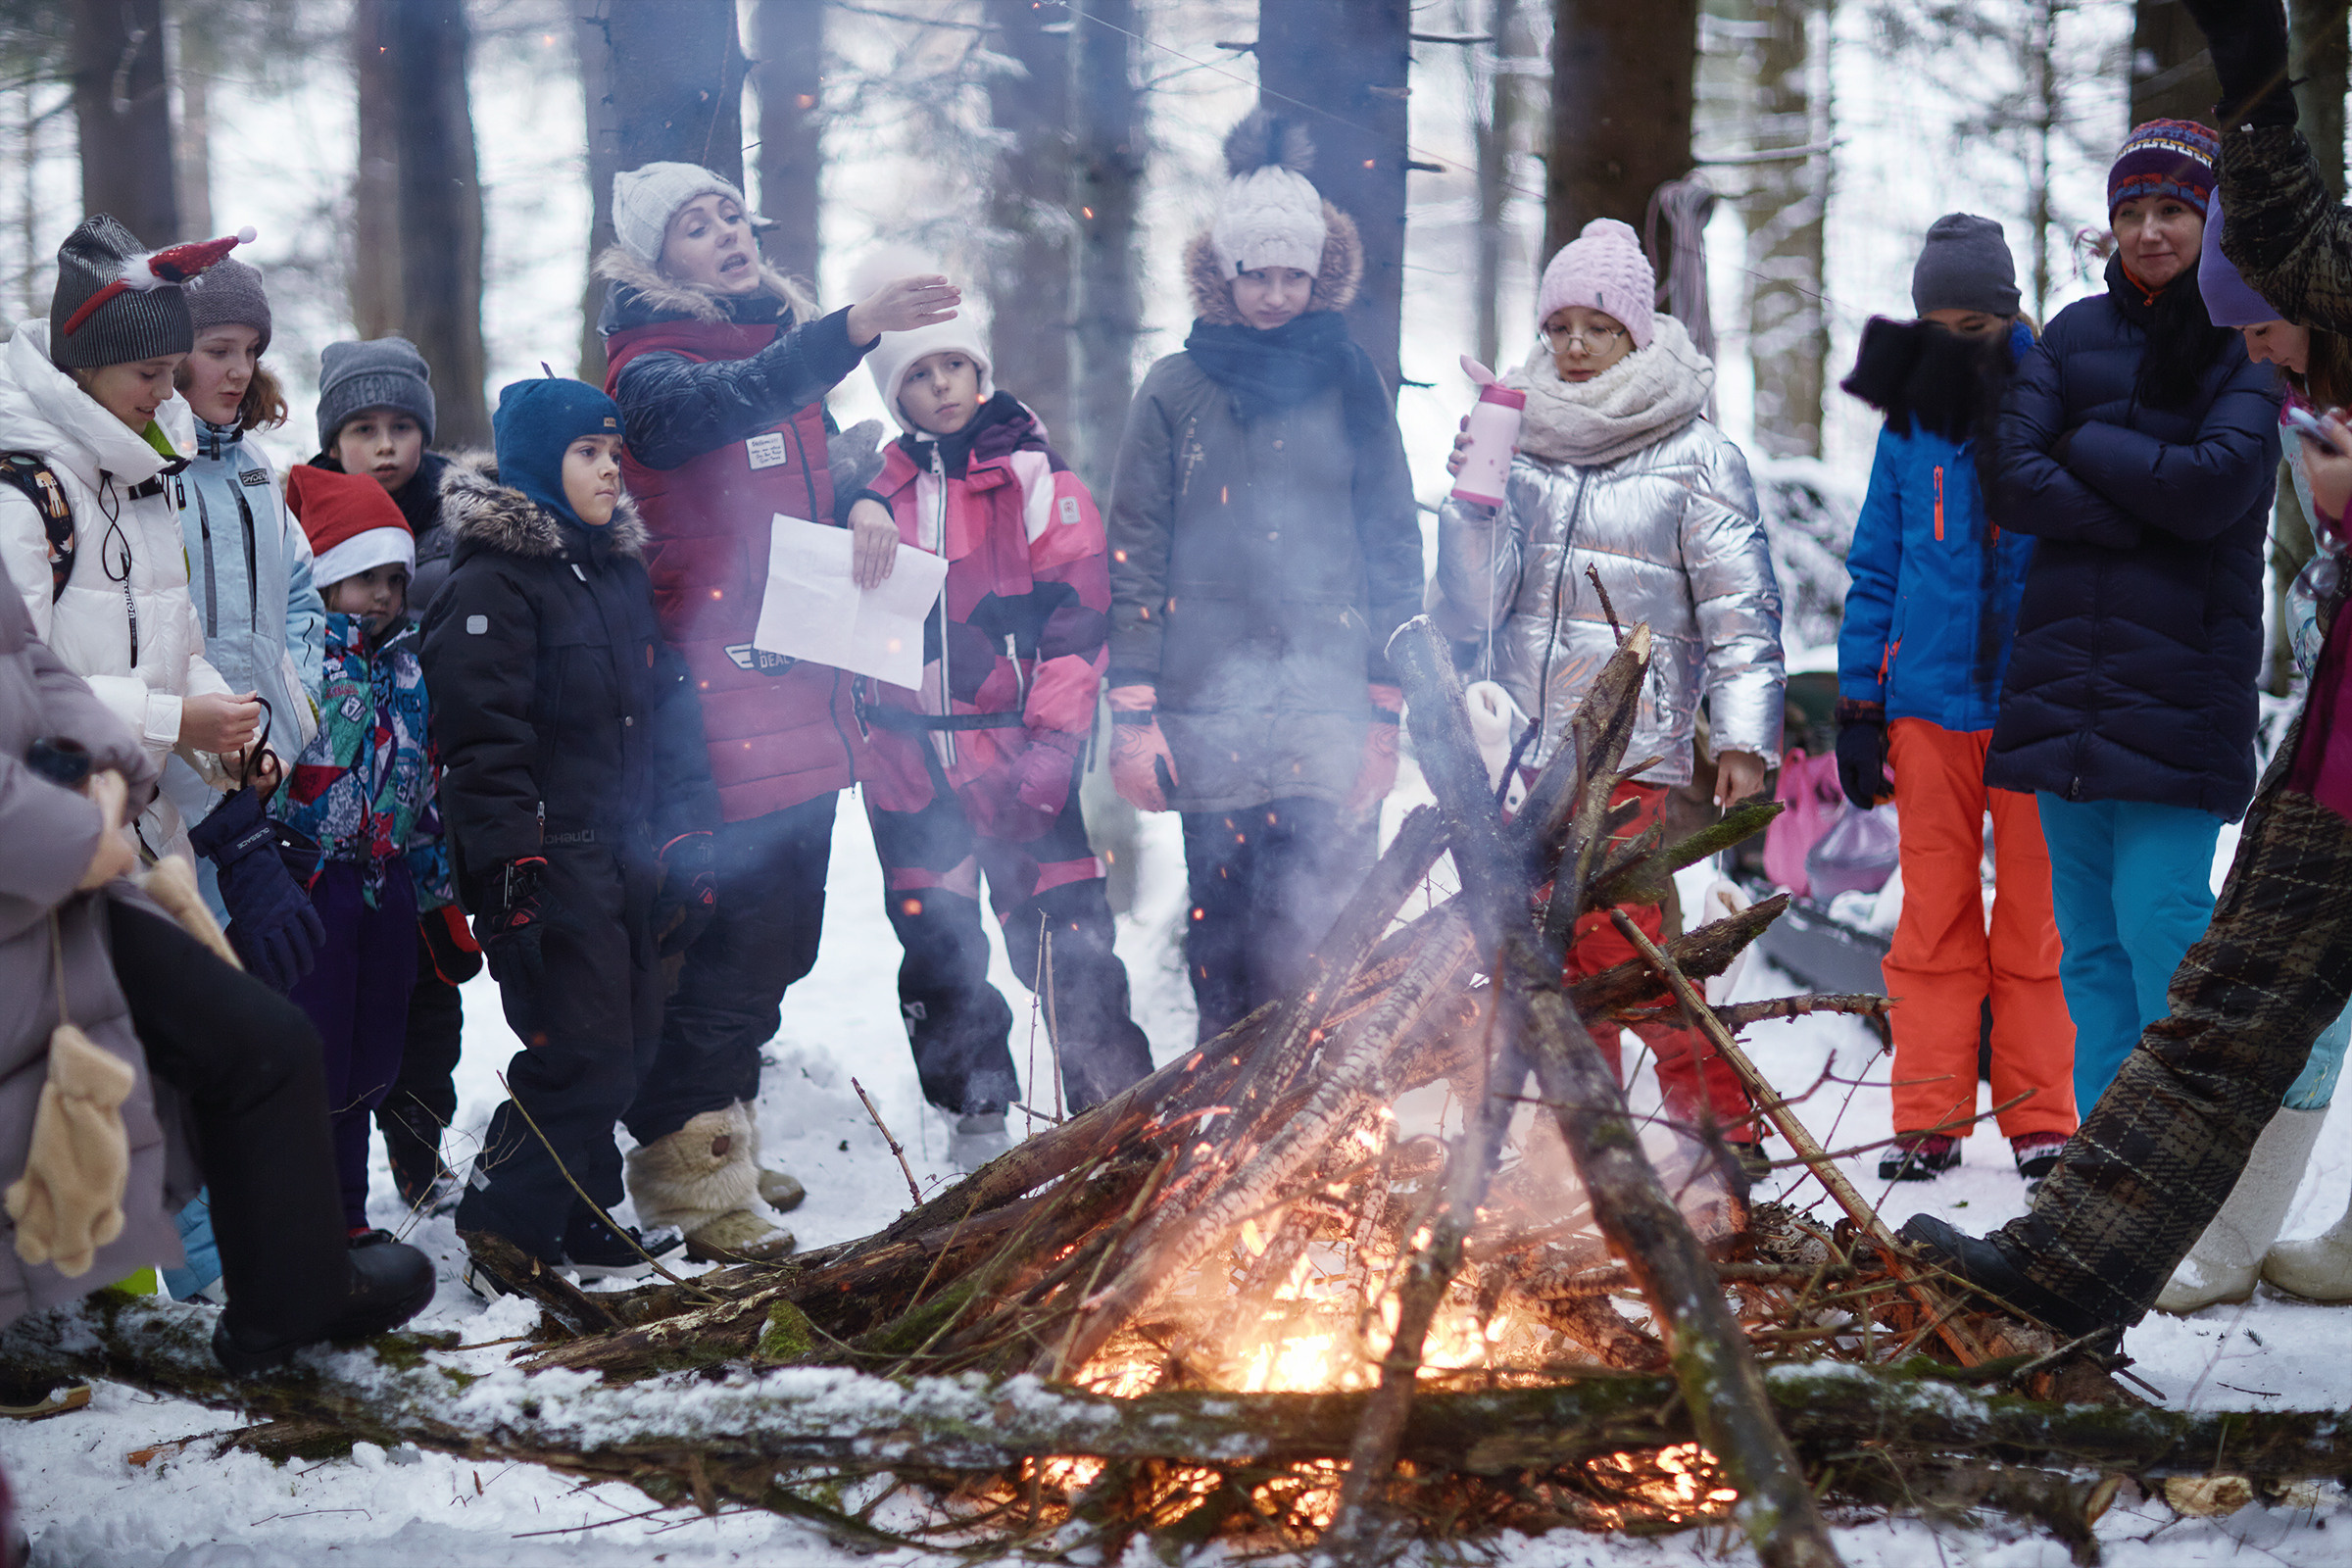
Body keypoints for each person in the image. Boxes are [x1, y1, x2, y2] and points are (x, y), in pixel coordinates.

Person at [594, 162, 952, 1258]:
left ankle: (724, 1140)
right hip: (713, 700)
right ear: (660, 262)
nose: (726, 234)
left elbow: (805, 456)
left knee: (785, 936)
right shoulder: (650, 365)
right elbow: (708, 421)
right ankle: (685, 1173)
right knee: (732, 939)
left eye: (733, 217)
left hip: (801, 688)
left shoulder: (773, 350)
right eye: (697, 228)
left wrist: (855, 500)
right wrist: (847, 326)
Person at [0, 548, 434, 1371]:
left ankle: (286, 1302)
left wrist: (120, 762)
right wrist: (66, 832)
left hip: (87, 860)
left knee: (266, 1040)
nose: (168, 406)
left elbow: (36, 664)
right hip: (42, 865)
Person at [1435, 216, 1783, 1166]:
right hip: (1521, 759)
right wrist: (1470, 502)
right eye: (1560, 327)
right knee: (1534, 959)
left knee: (1633, 955)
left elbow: (1742, 608)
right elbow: (1468, 609)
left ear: (1636, 332)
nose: (1575, 345)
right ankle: (1576, 1159)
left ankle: (1719, 1144)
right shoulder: (1523, 439)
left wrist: (1746, 742)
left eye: (1598, 326)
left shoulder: (1697, 453)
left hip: (1633, 754)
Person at [1980, 122, 2278, 1119]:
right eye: (2131, 212)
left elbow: (2211, 491)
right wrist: (2146, 509)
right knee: (2089, 944)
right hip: (2065, 691)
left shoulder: (2250, 342)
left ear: (2212, 223)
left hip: (2180, 692)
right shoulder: (2069, 334)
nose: (2149, 231)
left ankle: (2183, 1157)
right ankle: (2107, 1154)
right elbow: (2011, 478)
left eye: (2174, 211)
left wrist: (2089, 439)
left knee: (2164, 928)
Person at [1106, 113, 1424, 1044]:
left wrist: (1383, 707)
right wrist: (1133, 711)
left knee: (1327, 930)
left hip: (1331, 701)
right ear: (1225, 274)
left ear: (1320, 275)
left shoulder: (1352, 380)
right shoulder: (1172, 389)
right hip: (1208, 706)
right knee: (1225, 926)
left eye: (1295, 274)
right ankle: (1225, 1126)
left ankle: (1320, 1130)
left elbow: (1392, 541)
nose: (1276, 293)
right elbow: (1136, 544)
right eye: (1258, 273)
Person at [421, 376, 720, 1283]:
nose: (608, 471)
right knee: (578, 1053)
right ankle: (501, 1228)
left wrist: (685, 828)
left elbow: (665, 705)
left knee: (624, 1049)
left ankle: (582, 1215)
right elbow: (480, 743)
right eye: (586, 453)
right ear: (537, 464)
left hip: (621, 851)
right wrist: (510, 870)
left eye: (613, 453)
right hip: (544, 862)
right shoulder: (491, 583)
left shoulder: (613, 568)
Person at [857, 280, 1153, 1163]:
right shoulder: (878, 487)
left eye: (957, 366)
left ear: (982, 374)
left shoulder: (1035, 474)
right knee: (939, 945)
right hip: (911, 762)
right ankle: (974, 1112)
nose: (943, 386)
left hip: (1022, 754)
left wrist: (1057, 741)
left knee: (1069, 936)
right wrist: (859, 505)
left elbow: (1079, 611)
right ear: (894, 394)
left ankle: (1112, 1104)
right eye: (920, 375)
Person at [0, 218, 320, 983]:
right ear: (84, 362)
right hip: (55, 845)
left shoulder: (145, 474)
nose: (166, 393)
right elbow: (20, 694)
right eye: (150, 371)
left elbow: (184, 644)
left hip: (150, 837)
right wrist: (178, 722)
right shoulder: (25, 495)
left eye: (176, 370)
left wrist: (230, 738)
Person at [1833, 216, 2076, 1189]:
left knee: (2034, 919)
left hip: (2036, 708)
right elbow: (1876, 564)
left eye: (1974, 320)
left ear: (2008, 314)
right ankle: (1928, 1116)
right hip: (1927, 708)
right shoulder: (1907, 421)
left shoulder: (2054, 399)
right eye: (1940, 319)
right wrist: (1857, 706)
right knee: (1932, 917)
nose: (1955, 336)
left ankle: (2040, 1118)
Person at [2152, 201, 2352, 1311]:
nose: (2254, 349)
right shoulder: (2312, 400)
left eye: (2262, 325)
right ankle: (2232, 1235)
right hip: (2332, 755)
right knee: (2304, 1005)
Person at [306, 335, 473, 1216]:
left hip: (412, 849)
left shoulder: (462, 521)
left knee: (425, 1020)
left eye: (402, 426)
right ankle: (329, 1189)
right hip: (329, 868)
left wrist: (441, 876)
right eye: (363, 427)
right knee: (339, 1027)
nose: (384, 446)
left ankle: (418, 1151)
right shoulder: (296, 525)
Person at [273, 464, 452, 1240]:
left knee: (372, 1057)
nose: (380, 594)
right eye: (359, 576)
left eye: (392, 578)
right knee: (318, 1056)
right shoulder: (303, 663)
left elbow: (423, 787)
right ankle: (312, 1216)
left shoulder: (410, 666)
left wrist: (439, 896)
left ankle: (347, 1215)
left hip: (386, 886)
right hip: (313, 879)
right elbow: (271, 768)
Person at [162, 256, 326, 919]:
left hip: (257, 784)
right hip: (162, 787)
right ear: (172, 354)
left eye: (251, 351)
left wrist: (279, 744)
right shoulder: (139, 469)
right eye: (217, 349)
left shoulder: (258, 472)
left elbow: (302, 606)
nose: (239, 369)